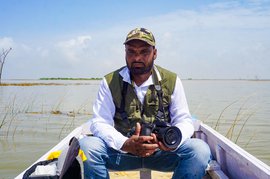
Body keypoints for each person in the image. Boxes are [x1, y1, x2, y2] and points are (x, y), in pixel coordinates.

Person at [79, 27, 211, 179]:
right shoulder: (109, 82)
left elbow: (184, 120)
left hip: (162, 154)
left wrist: (171, 141)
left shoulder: (172, 80)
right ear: (125, 53)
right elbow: (100, 122)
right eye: (131, 52)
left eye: (144, 52)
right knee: (88, 147)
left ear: (155, 53)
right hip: (122, 154)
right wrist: (125, 143)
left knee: (199, 150)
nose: (137, 58)